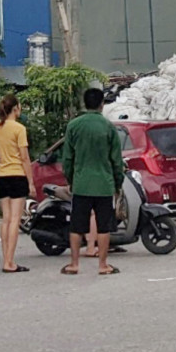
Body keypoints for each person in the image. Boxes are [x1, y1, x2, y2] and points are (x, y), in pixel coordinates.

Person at [58, 86, 126, 276]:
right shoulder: (108, 127)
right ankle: (103, 265)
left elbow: (68, 159)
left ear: (85, 103)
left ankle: (73, 264)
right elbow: (116, 160)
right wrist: (117, 183)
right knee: (104, 226)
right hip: (104, 185)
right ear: (102, 105)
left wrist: (70, 179)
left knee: (77, 226)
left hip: (81, 184)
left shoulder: (74, 126)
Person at [0, 92, 36, 273]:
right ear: (15, 108)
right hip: (17, 175)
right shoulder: (19, 129)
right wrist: (31, 182)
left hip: (2, 176)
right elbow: (24, 157)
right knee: (15, 220)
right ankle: (10, 262)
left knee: (6, 220)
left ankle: (6, 260)